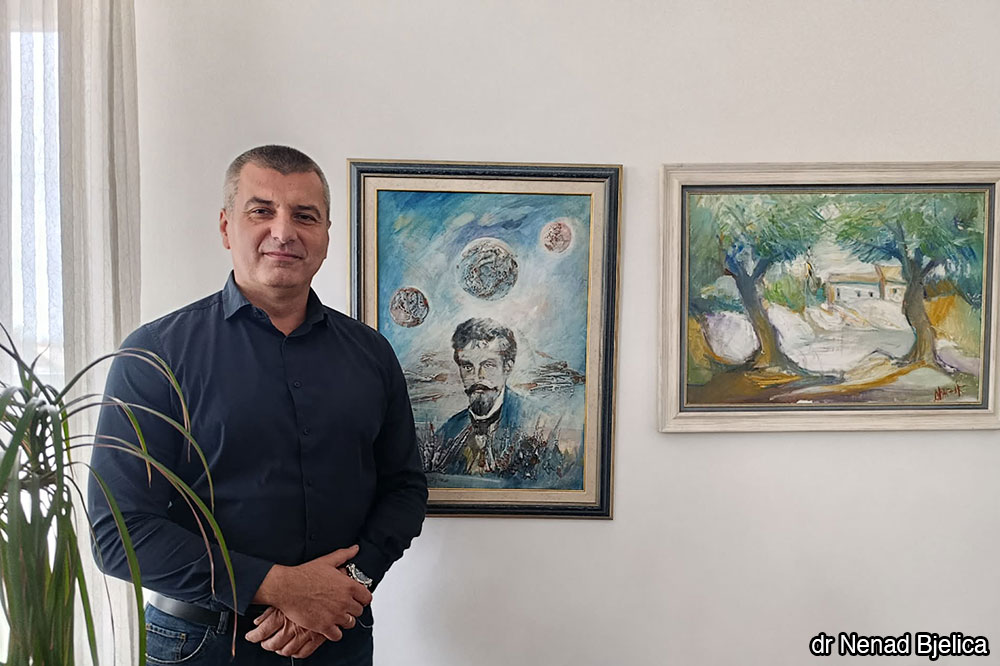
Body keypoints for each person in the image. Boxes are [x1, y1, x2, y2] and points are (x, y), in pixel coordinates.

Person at [88, 145, 427, 665]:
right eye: (261, 211)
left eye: (305, 216)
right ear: (227, 227)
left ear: (327, 234)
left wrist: (349, 584)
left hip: (339, 636)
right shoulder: (155, 354)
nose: (283, 231)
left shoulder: (372, 354)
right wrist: (281, 587)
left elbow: (404, 488)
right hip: (200, 645)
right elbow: (120, 532)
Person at [427, 317, 563, 482]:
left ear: (508, 367)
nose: (477, 377)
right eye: (467, 366)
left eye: (488, 365)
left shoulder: (539, 424)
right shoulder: (448, 431)